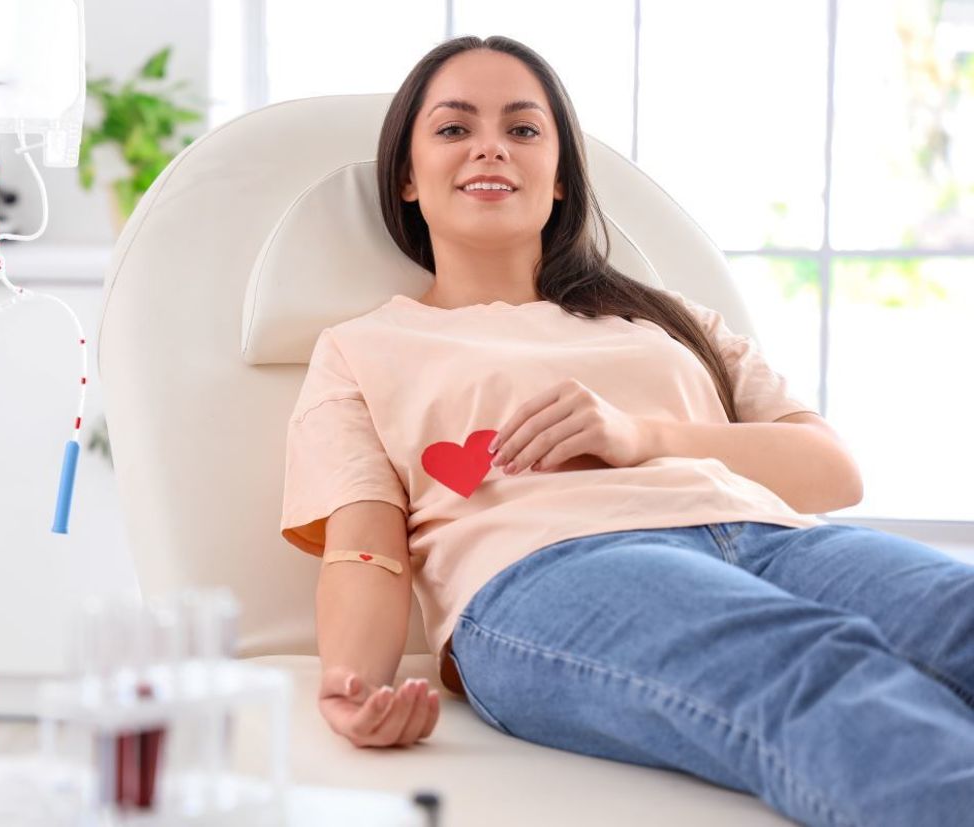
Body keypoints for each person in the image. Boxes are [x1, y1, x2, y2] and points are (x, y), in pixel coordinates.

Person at [279, 34, 974, 827]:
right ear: (407, 176)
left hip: (774, 539)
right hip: (550, 568)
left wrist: (641, 437)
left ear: (560, 175)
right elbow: (363, 544)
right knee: (812, 667)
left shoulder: (667, 321)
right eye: (454, 128)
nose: (490, 147)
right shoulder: (363, 348)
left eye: (523, 128)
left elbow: (831, 472)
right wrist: (353, 683)